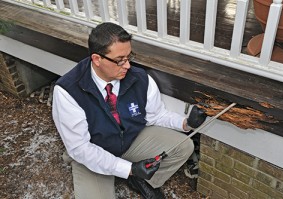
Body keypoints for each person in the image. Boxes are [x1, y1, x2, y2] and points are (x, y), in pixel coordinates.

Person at [52, 22, 207, 199]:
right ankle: (127, 173)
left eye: (129, 57)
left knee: (183, 147)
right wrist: (129, 169)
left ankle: (145, 181)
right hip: (93, 151)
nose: (127, 66)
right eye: (120, 60)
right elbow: (80, 148)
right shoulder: (68, 91)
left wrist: (186, 123)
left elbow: (156, 115)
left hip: (129, 141)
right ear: (97, 59)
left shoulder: (140, 78)